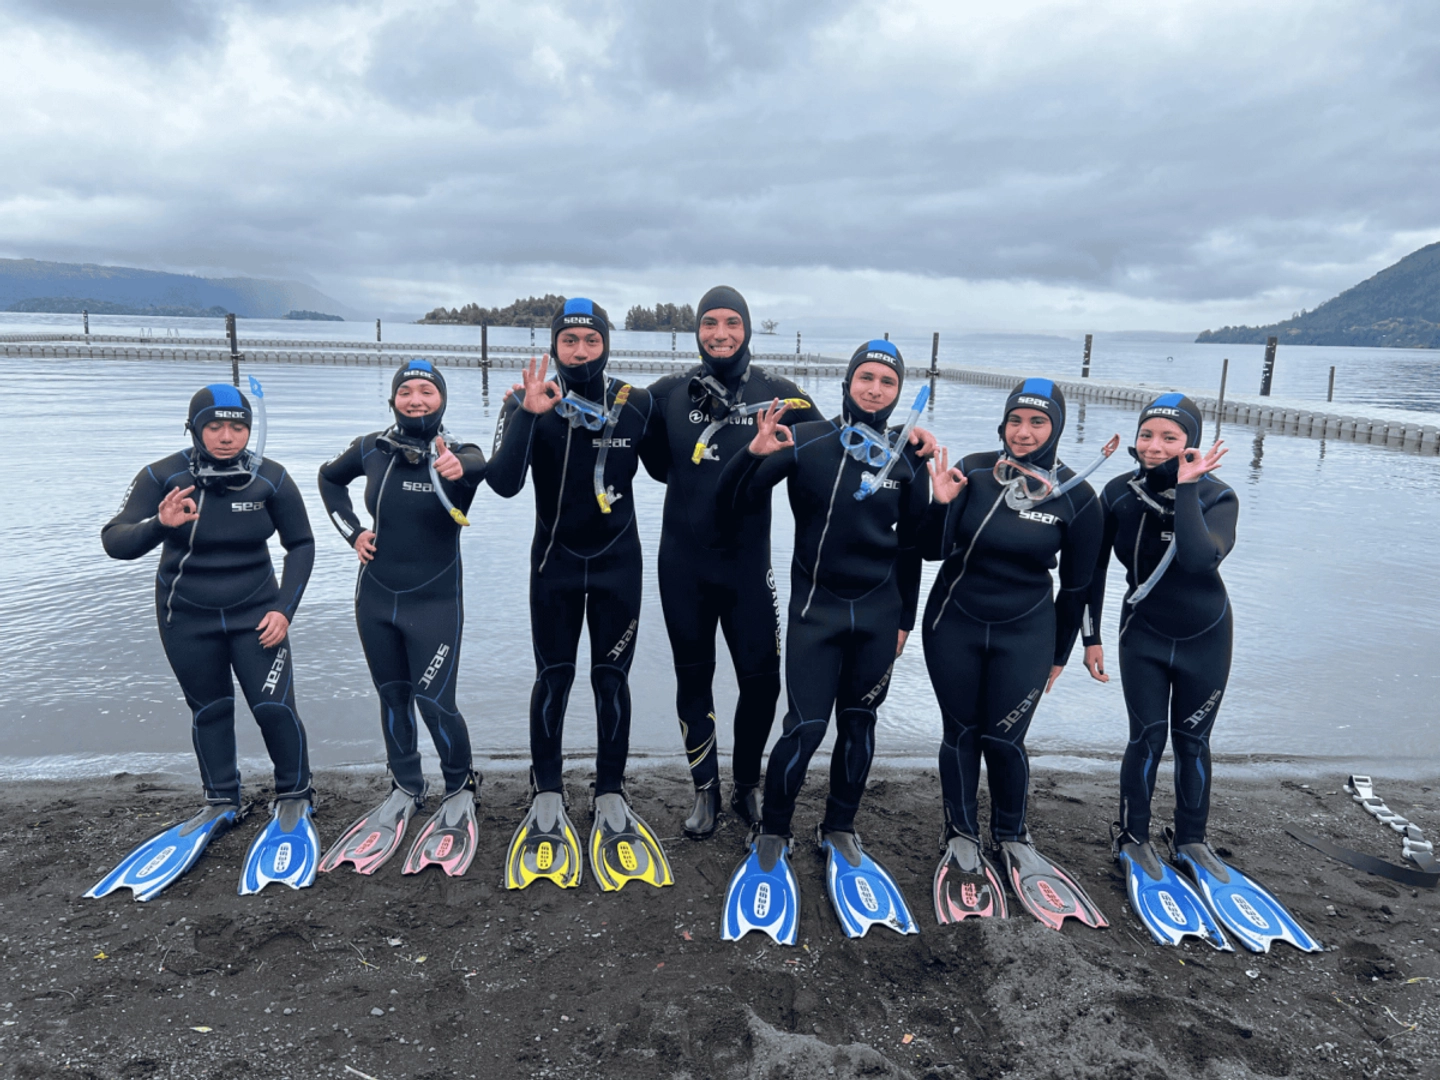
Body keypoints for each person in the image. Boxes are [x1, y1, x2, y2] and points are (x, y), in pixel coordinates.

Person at [1084, 395, 1316, 953]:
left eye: (1168, 437)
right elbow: (1091, 573)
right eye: (1147, 436)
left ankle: (1191, 841)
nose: (1154, 447)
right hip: (1140, 634)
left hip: (1205, 636)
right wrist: (1088, 637)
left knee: (1192, 742)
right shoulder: (1117, 493)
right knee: (1146, 738)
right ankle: (1133, 837)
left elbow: (1197, 559)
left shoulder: (1217, 495)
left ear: (1188, 441)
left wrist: (1186, 486)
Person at [718, 340, 929, 943]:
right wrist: (751, 455)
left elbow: (918, 548)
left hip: (879, 615)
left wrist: (905, 621)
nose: (874, 391)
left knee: (860, 725)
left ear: (897, 393)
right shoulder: (808, 439)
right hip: (817, 612)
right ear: (847, 382)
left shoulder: (908, 457)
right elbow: (734, 503)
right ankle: (774, 831)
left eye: (887, 383)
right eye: (865, 378)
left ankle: (838, 828)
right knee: (805, 728)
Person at [91, 381, 319, 900]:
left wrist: (285, 609)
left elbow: (301, 545)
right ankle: (222, 800)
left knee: (273, 708)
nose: (226, 436)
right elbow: (114, 539)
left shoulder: (271, 480)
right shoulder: (162, 477)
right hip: (185, 618)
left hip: (257, 617)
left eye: (237, 426)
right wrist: (158, 524)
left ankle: (296, 794)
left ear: (249, 428)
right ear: (194, 428)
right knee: (210, 710)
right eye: (214, 426)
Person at [488, 298, 670, 892]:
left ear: (606, 344)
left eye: (591, 341)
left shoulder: (635, 404)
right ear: (554, 346)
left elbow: (677, 471)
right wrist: (525, 414)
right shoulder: (526, 399)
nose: (581, 352)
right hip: (554, 567)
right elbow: (505, 484)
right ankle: (546, 790)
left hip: (619, 566)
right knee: (555, 678)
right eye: (570, 342)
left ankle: (611, 790)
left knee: (611, 680)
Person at [923, 378, 1107, 930]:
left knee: (1005, 738)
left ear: (1056, 428)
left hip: (1027, 631)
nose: (1023, 433)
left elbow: (1079, 586)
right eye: (1015, 421)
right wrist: (939, 503)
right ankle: (960, 836)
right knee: (960, 733)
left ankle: (1011, 836)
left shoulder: (1077, 495)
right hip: (952, 623)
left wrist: (1061, 651)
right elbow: (933, 550)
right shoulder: (974, 472)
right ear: (1002, 424)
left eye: (1037, 422)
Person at [639, 287, 817, 839]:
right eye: (710, 323)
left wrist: (910, 453)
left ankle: (746, 786)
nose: (720, 333)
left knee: (761, 684)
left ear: (747, 330)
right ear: (697, 330)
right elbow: (642, 458)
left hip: (748, 570)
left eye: (732, 323)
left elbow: (840, 447)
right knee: (695, 679)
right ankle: (705, 791)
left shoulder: (781, 396)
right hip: (684, 567)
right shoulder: (667, 394)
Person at [317, 359, 488, 878]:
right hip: (375, 597)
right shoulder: (372, 448)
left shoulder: (459, 453)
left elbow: (484, 465)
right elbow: (328, 480)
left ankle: (460, 786)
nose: (416, 400)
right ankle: (407, 786)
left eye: (427, 392)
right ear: (393, 400)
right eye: (407, 392)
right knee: (392, 697)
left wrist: (462, 470)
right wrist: (352, 533)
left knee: (435, 702)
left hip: (434, 602)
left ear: (442, 401)